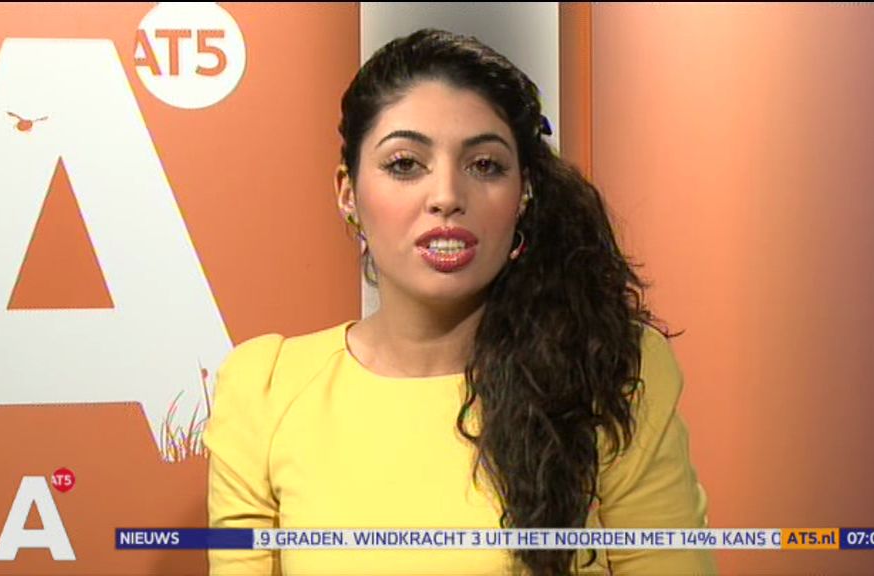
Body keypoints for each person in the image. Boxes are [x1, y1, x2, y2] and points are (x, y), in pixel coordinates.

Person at [204, 28, 716, 576]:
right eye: (405, 164)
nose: (447, 196)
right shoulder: (265, 388)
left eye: (485, 165)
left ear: (523, 195)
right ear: (348, 193)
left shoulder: (610, 369)